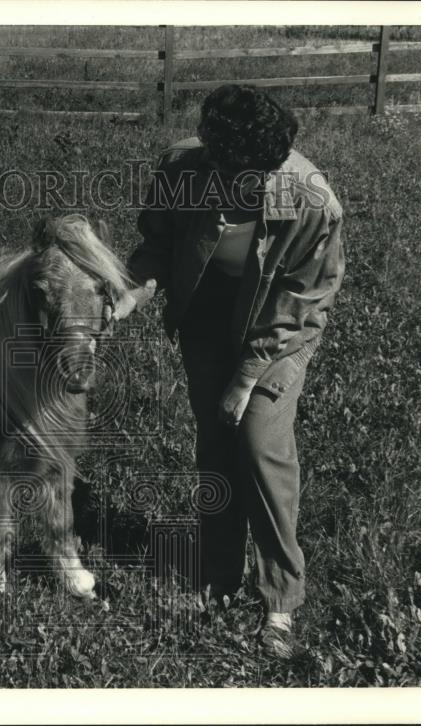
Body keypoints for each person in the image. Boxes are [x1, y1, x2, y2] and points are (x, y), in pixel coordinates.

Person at [116, 84, 345, 658]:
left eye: (252, 175)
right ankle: (217, 577)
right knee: (215, 446)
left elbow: (301, 301)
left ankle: (280, 601)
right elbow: (158, 246)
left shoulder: (313, 202)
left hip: (278, 333)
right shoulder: (180, 166)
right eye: (224, 166)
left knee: (260, 444)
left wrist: (245, 379)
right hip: (206, 321)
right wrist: (127, 294)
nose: (236, 183)